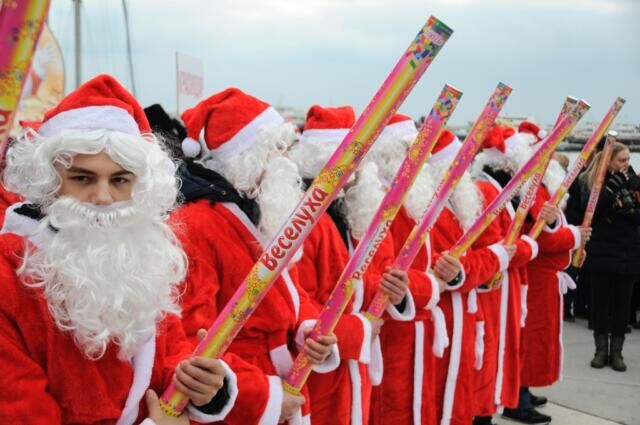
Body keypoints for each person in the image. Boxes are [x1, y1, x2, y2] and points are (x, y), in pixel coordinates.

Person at [0, 75, 242, 424]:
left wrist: (202, 387)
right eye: (82, 178)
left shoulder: (138, 254)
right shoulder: (9, 275)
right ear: (50, 182)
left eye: (119, 180)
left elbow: (169, 356)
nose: (102, 197)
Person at [172, 88, 340, 423]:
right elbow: (193, 337)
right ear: (245, 156)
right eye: (275, 149)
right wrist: (264, 396)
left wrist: (307, 328)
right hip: (241, 394)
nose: (286, 159)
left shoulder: (258, 211)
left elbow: (290, 293)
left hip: (280, 375)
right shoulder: (197, 224)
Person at [288, 105, 413, 425]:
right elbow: (297, 301)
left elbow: (368, 277)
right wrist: (356, 330)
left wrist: (393, 290)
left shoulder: (355, 209)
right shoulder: (305, 220)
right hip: (318, 365)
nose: (358, 170)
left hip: (352, 367)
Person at [577, 141, 640, 372]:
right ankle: (601, 350)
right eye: (622, 160)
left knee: (623, 305)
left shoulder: (634, 181)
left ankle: (617, 352)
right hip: (602, 251)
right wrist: (611, 190)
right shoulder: (592, 181)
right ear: (609, 160)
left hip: (627, 251)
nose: (626, 164)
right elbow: (589, 212)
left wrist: (629, 209)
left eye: (628, 159)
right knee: (600, 304)